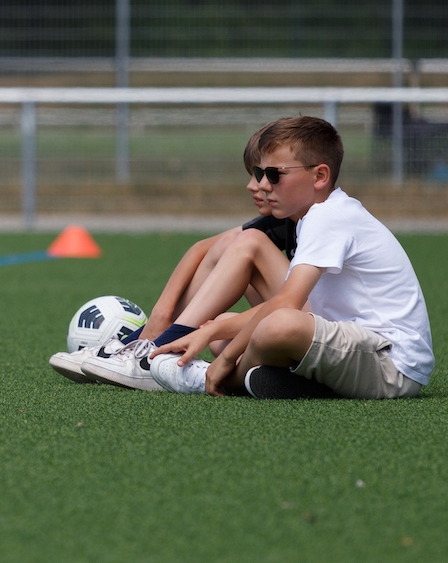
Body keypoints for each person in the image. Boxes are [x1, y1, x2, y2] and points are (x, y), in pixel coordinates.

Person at [147, 115, 433, 400]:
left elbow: (286, 304)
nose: (263, 185)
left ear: (319, 176)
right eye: (260, 174)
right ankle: (292, 382)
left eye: (274, 175)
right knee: (225, 331)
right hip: (350, 344)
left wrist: (226, 357)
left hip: (391, 364)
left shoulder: (328, 216)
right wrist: (212, 331)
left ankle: (218, 379)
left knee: (278, 325)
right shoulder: (310, 218)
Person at [48, 121, 295, 389]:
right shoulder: (284, 219)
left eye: (267, 175)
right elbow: (202, 248)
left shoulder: (318, 219)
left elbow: (301, 303)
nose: (253, 185)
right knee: (221, 326)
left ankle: (153, 353)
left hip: (307, 325)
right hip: (289, 317)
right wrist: (161, 314)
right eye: (256, 174)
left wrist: (211, 329)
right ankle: (146, 343)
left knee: (243, 256)